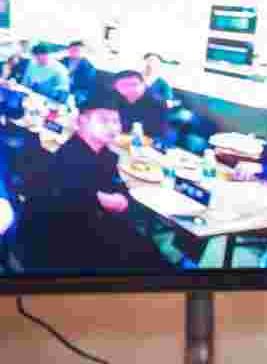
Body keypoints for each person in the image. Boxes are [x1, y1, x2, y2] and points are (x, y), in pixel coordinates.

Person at [17, 85, 173, 272]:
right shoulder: (71, 156)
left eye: (116, 121)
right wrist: (105, 200)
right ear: (80, 121)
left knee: (148, 251)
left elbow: (118, 192)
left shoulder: (105, 155)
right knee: (145, 256)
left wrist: (114, 200)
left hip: (86, 228)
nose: (112, 127)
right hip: (55, 246)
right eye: (103, 120)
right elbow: (73, 201)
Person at [112, 70, 174, 146]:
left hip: (157, 139)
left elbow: (154, 137)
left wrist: (128, 139)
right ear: (116, 87)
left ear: (143, 85)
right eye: (124, 85)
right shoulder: (116, 98)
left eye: (134, 84)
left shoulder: (157, 104)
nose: (130, 89)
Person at [60, 40, 97, 108]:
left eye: (76, 50)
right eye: (71, 50)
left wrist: (74, 94)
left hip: (78, 92)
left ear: (82, 52)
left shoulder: (88, 67)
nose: (73, 52)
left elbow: (88, 87)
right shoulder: (63, 61)